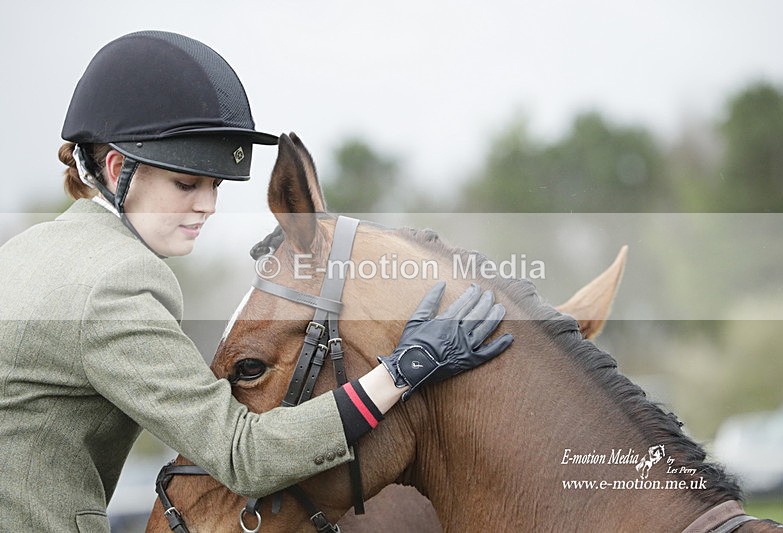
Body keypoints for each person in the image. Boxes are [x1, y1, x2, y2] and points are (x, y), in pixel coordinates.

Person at [0, 31, 513, 532]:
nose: (207, 205)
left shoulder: (24, 252)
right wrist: (402, 371)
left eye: (214, 186)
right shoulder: (118, 280)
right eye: (186, 183)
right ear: (117, 169)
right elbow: (243, 456)